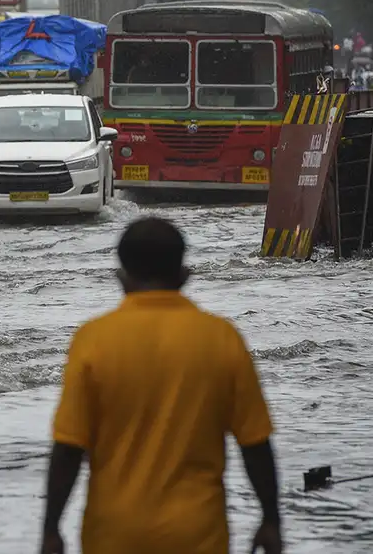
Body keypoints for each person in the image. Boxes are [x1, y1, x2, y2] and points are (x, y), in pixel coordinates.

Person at [40, 216, 282, 554]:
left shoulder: (93, 341)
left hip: (113, 535)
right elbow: (255, 444)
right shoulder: (221, 338)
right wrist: (271, 519)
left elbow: (68, 448)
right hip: (198, 535)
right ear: (184, 275)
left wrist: (51, 529)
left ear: (121, 278)